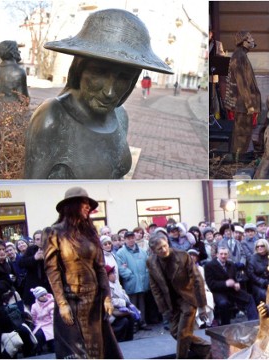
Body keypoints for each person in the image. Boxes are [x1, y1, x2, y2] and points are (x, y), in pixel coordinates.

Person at [24, 9, 172, 179]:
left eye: (124, 77)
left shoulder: (120, 116)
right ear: (80, 69)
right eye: (99, 72)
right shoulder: (53, 117)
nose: (109, 92)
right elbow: (31, 192)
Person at [42, 187, 122, 358]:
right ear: (71, 205)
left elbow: (100, 267)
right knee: (77, 352)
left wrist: (107, 296)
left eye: (88, 204)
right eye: (83, 203)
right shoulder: (54, 232)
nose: (88, 207)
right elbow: (52, 270)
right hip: (71, 301)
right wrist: (62, 303)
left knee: (98, 351)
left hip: (94, 301)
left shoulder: (90, 232)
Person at [147, 233, 212, 358]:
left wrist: (202, 305)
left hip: (188, 298)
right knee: (175, 332)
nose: (164, 250)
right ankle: (208, 349)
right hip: (172, 302)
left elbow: (198, 280)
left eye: (165, 246)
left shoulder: (182, 256)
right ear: (153, 250)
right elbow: (155, 287)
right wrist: (164, 309)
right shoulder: (151, 262)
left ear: (167, 243)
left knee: (183, 334)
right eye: (159, 249)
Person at [225, 31, 261, 157]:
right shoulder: (239, 56)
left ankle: (238, 160)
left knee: (244, 136)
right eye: (250, 37)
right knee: (241, 136)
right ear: (243, 41)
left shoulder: (241, 55)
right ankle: (237, 162)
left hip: (243, 104)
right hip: (242, 105)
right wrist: (249, 104)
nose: (252, 39)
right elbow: (242, 83)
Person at [203, 246, 258, 325]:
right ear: (217, 255)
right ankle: (225, 325)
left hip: (231, 290)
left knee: (249, 298)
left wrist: (236, 284)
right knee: (223, 303)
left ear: (228, 255)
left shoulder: (231, 264)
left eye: (225, 254)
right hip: (218, 291)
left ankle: (254, 322)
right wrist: (225, 283)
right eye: (221, 254)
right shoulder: (209, 266)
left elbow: (233, 278)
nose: (223, 256)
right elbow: (211, 284)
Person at [116, 228, 151, 331]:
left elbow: (147, 264)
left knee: (142, 304)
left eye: (132, 238)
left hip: (142, 281)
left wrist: (146, 275)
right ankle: (134, 324)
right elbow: (121, 267)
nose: (131, 240)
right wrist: (130, 275)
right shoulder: (120, 253)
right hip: (131, 282)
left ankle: (142, 322)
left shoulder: (142, 251)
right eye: (128, 238)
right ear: (125, 240)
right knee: (132, 305)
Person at [106, 265, 138, 343]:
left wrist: (129, 303)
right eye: (112, 273)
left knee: (131, 317)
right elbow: (110, 301)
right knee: (124, 321)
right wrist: (124, 303)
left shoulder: (116, 283)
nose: (114, 275)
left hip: (121, 308)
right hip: (112, 312)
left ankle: (129, 340)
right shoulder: (106, 287)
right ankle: (121, 341)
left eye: (114, 272)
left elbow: (123, 294)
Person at [19, 231, 51, 308]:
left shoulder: (51, 249)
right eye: (37, 239)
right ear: (34, 241)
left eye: (41, 238)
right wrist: (34, 258)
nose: (40, 241)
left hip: (48, 286)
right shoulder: (31, 250)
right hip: (34, 286)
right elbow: (21, 263)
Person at [246, 239, 269, 304]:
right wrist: (263, 282)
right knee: (264, 294)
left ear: (266, 246)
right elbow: (251, 275)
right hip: (258, 284)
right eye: (257, 246)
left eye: (262, 246)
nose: (259, 248)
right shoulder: (253, 259)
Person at [29, 286, 55, 354]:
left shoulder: (51, 304)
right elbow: (33, 316)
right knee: (38, 335)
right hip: (39, 325)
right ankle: (37, 349)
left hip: (49, 324)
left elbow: (53, 316)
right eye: (41, 296)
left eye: (45, 294)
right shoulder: (34, 306)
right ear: (38, 297)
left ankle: (51, 346)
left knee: (51, 337)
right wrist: (34, 323)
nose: (44, 296)